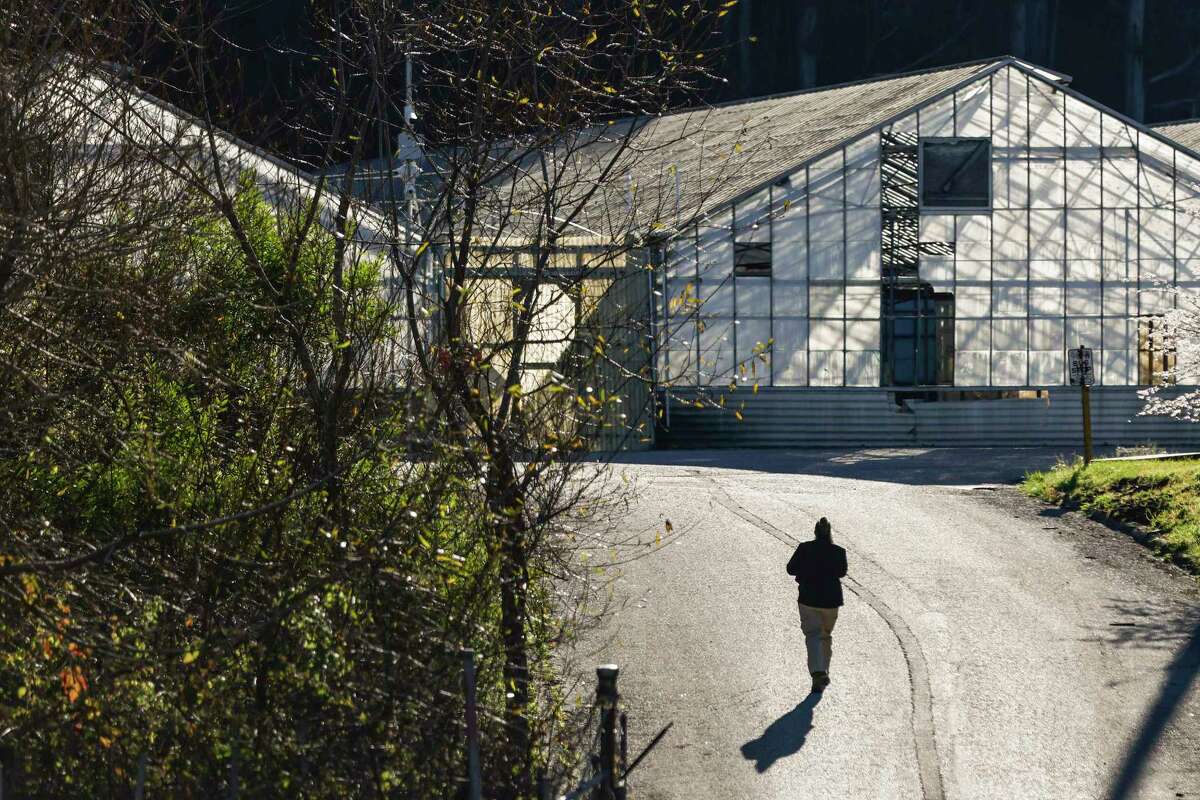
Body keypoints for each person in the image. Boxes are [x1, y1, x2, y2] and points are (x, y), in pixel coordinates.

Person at [786, 517, 847, 693]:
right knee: (825, 635)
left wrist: (806, 570)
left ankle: (818, 672)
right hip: (831, 601)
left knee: (812, 635)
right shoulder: (838, 551)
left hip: (808, 598)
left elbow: (790, 569)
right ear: (829, 533)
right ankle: (824, 671)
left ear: (815, 532)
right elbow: (842, 572)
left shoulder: (805, 548)